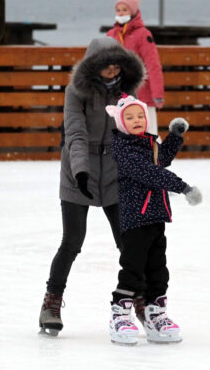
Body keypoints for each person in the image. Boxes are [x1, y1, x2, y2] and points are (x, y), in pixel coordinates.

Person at [38, 38, 146, 337]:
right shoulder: (76, 92)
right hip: (78, 169)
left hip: (115, 171)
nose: (113, 70)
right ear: (94, 66)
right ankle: (51, 303)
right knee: (72, 241)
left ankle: (139, 299)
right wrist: (81, 171)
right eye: (107, 65)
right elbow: (74, 133)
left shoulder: (127, 91)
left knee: (129, 242)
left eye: (117, 64)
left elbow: (135, 131)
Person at [103, 94, 202, 345]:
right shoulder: (123, 149)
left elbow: (161, 160)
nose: (136, 120)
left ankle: (155, 312)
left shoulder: (148, 144)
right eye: (130, 117)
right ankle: (120, 314)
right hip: (135, 219)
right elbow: (152, 172)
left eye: (140, 116)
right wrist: (183, 187)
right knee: (133, 268)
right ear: (121, 122)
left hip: (156, 216)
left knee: (158, 268)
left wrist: (175, 137)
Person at [106, 0, 165, 136]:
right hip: (118, 93)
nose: (120, 13)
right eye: (118, 10)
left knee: (149, 133)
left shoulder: (143, 35)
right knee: (122, 133)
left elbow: (153, 65)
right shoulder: (111, 35)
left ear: (132, 12)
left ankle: (156, 158)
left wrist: (157, 94)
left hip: (142, 93)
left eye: (124, 10)